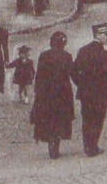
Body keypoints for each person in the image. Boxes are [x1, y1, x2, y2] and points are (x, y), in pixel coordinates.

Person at [71, 22, 107, 157]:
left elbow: (73, 71)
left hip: (85, 93)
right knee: (98, 119)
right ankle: (93, 146)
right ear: (98, 35)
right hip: (100, 94)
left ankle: (88, 146)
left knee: (87, 119)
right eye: (105, 34)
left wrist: (81, 84)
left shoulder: (83, 50)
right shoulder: (104, 54)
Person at [30, 31, 76, 159]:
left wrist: (38, 92)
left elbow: (39, 76)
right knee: (60, 118)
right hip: (63, 93)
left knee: (49, 117)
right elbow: (73, 74)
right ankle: (56, 143)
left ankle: (51, 139)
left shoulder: (44, 56)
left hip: (46, 92)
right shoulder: (67, 56)